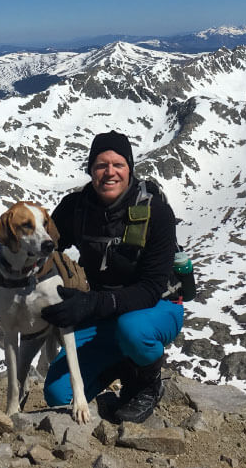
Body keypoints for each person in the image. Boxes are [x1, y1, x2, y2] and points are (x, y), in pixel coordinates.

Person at [41, 130, 183, 423]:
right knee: (58, 394)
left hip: (157, 307)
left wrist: (92, 304)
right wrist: (2, 266)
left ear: (129, 168)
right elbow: (44, 247)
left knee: (133, 329)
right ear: (90, 170)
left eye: (117, 164)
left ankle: (146, 381)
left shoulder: (156, 212)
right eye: (101, 165)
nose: (109, 172)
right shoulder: (76, 208)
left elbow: (151, 288)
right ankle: (121, 362)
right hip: (105, 314)